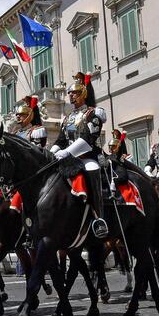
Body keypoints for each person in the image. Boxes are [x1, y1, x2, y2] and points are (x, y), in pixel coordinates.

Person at [49, 73, 108, 238]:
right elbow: (61, 140)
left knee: (91, 169)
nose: (71, 96)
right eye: (70, 93)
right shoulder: (68, 118)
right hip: (68, 159)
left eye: (74, 93)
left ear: (83, 93)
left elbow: (88, 139)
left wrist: (67, 152)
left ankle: (99, 217)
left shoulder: (93, 114)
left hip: (89, 156)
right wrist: (50, 153)